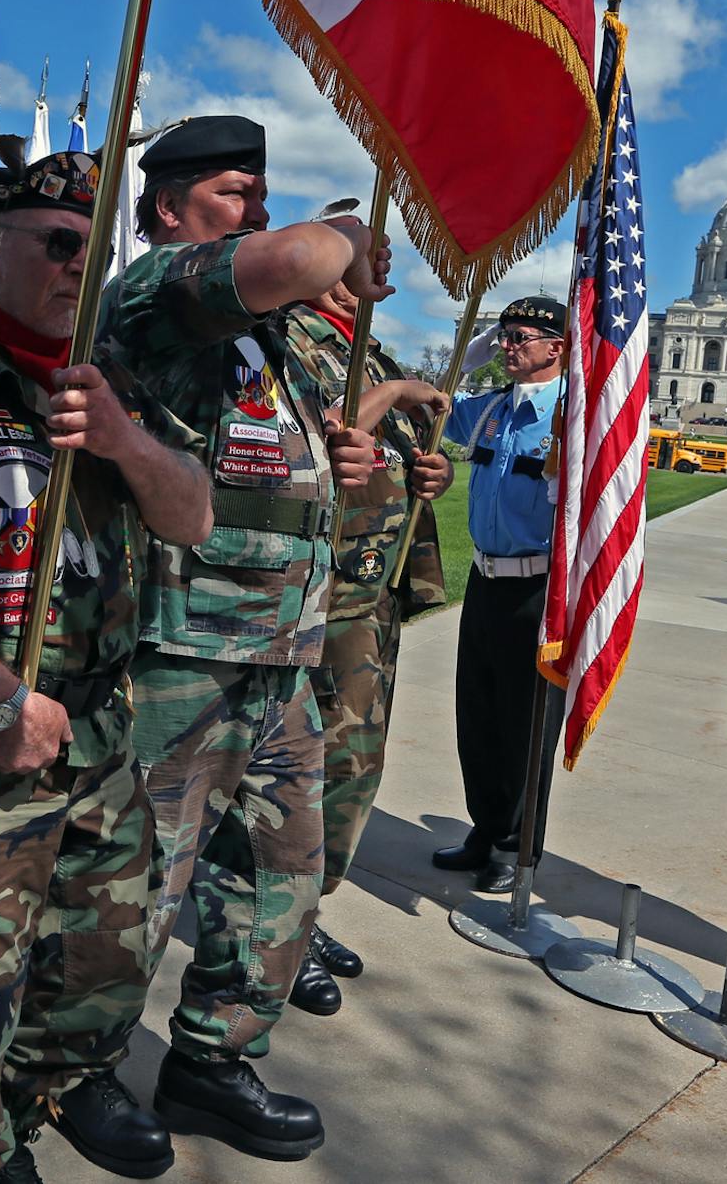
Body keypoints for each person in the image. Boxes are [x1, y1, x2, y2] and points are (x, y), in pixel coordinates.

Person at [0, 147, 211, 1184]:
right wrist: (0, 696)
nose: (81, 267)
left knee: (101, 960)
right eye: (58, 245)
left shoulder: (103, 380)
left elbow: (193, 512)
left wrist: (123, 442)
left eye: (93, 247)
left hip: (99, 734)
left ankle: (51, 1091)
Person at [98, 114, 391, 1163]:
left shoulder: (273, 339)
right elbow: (309, 254)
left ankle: (211, 1063)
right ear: (171, 208)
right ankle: (74, 1069)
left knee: (275, 878)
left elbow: (279, 459)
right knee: (137, 884)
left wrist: (347, 462)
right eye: (234, 191)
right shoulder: (160, 290)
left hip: (283, 652)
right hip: (181, 651)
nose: (257, 209)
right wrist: (348, 239)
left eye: (262, 192)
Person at [278, 278, 450, 1014]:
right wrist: (402, 390)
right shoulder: (284, 337)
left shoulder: (363, 347)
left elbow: (385, 456)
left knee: (355, 766)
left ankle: (304, 915)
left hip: (370, 590)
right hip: (318, 594)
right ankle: (277, 933)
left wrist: (427, 471)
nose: (371, 282)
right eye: (356, 265)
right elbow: (326, 434)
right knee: (310, 771)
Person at [434, 296, 568, 893]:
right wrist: (469, 356)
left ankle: (519, 846)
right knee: (479, 715)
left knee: (526, 725)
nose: (508, 346)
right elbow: (432, 409)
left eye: (519, 337)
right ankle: (485, 829)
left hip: (539, 591)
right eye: (504, 336)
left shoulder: (573, 415)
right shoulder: (489, 410)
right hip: (485, 583)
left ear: (556, 347)